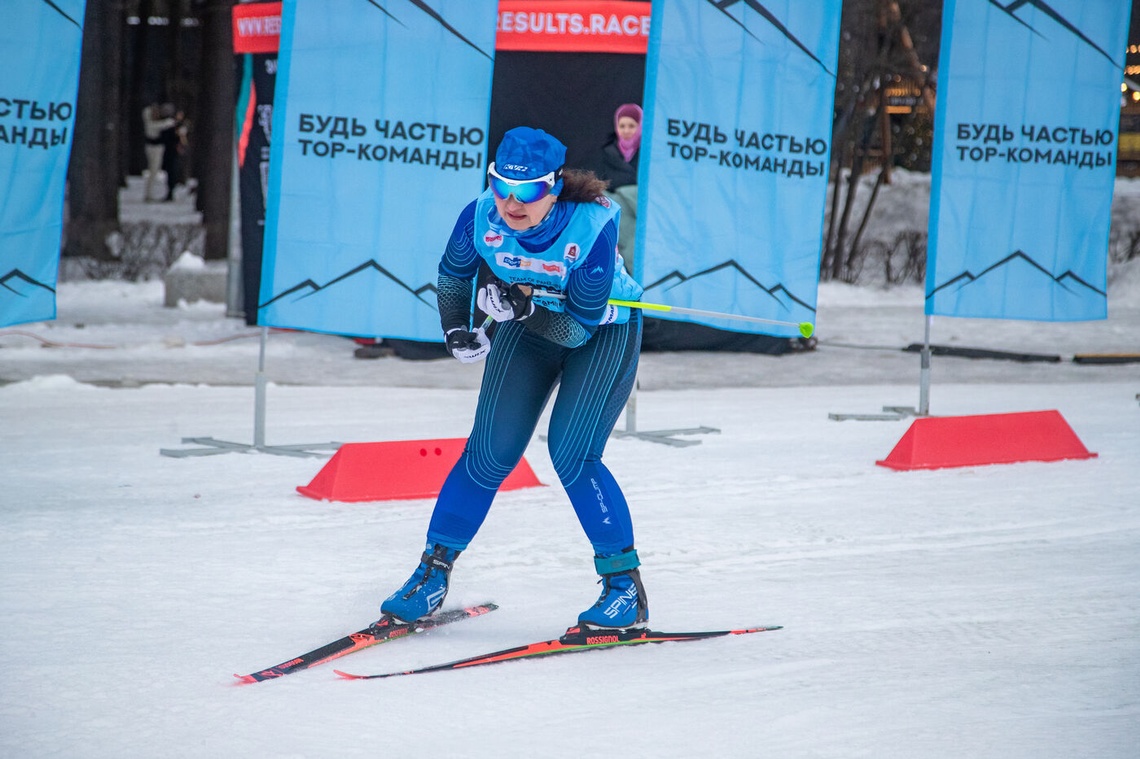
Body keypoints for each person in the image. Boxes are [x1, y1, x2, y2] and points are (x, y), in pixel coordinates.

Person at [380, 126, 649, 630]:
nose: (511, 202)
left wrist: (521, 306)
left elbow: (575, 329)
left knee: (571, 454)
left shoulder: (592, 225)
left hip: (601, 333)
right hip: (527, 326)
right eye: (501, 185)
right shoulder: (481, 213)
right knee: (488, 452)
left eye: (526, 191)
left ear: (553, 186)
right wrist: (456, 328)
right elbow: (453, 274)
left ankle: (624, 590)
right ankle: (431, 575)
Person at [594, 103, 642, 274]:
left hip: (639, 217)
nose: (626, 130)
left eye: (631, 126)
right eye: (622, 126)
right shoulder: (606, 152)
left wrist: (624, 193)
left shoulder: (649, 154)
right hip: (614, 215)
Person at [141, 102, 176, 202]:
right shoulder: (151, 123)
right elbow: (153, 127)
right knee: (153, 171)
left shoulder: (158, 122)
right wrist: (168, 123)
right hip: (153, 147)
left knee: (154, 172)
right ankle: (149, 194)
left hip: (158, 147)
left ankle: (150, 193)